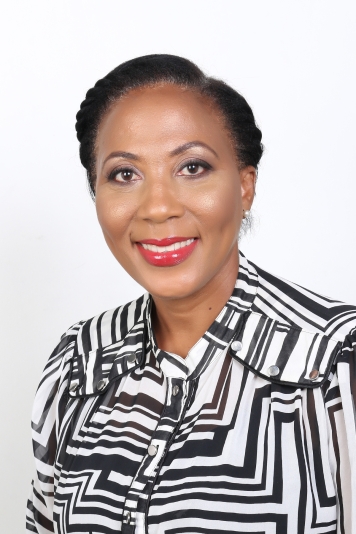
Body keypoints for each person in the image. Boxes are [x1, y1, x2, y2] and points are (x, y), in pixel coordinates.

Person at [26, 54, 356, 534]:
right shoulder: (78, 361)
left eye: (192, 167)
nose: (158, 208)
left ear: (245, 186)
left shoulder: (335, 362)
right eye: (124, 174)